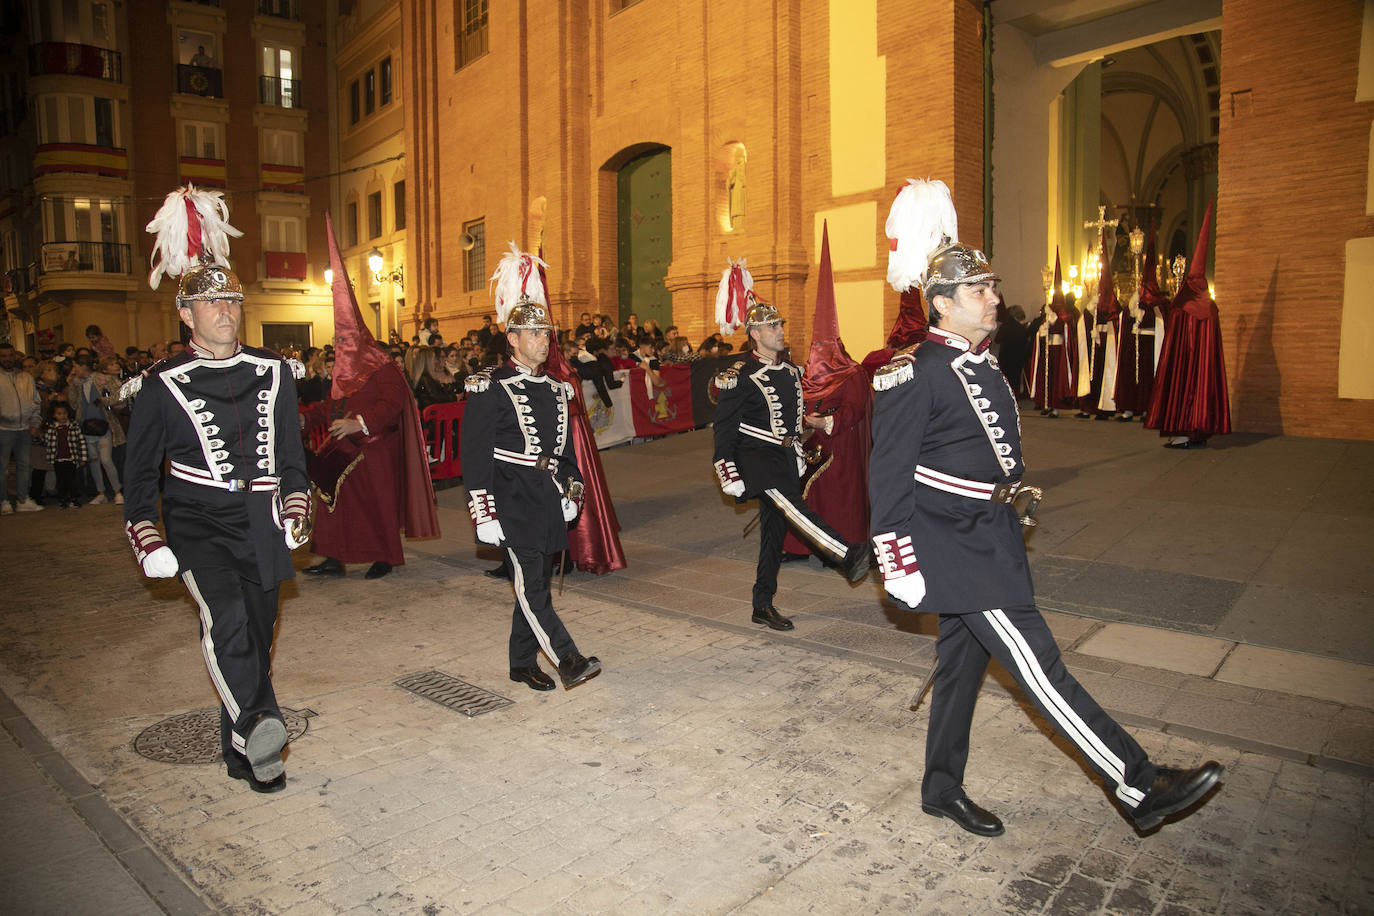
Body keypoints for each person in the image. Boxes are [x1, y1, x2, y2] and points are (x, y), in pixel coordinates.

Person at [867, 182, 1224, 836]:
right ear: (942, 304)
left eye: (992, 287)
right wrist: (897, 559)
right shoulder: (914, 371)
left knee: (960, 669)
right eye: (978, 290)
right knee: (1041, 670)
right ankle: (1138, 784)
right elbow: (888, 473)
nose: (993, 298)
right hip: (955, 548)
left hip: (990, 533)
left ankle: (940, 789)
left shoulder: (980, 363)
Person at [126, 184, 312, 793]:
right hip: (197, 518)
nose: (225, 311)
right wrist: (147, 535)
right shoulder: (161, 383)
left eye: (231, 300)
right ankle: (261, 725)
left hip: (261, 518)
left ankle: (243, 750)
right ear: (187, 315)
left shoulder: (274, 371)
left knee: (257, 637)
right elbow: (139, 473)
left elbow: (292, 455)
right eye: (211, 303)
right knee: (226, 618)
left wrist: (296, 505)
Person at [462, 245, 601, 692]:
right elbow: (474, 455)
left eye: (546, 333)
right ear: (513, 339)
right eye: (534, 333)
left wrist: (572, 490)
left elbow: (566, 453)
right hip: (510, 496)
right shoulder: (490, 386)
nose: (543, 340)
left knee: (533, 582)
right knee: (533, 588)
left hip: (546, 495)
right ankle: (568, 659)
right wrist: (483, 513)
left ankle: (521, 663)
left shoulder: (559, 389)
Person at [712, 298, 873, 631]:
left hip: (783, 457)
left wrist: (798, 450)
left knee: (773, 536)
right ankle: (847, 553)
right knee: (797, 511)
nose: (780, 331)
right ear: (755, 333)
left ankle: (762, 604)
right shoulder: (740, 375)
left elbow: (791, 422)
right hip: (756, 459)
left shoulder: (790, 372)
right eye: (772, 326)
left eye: (780, 324)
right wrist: (728, 470)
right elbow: (724, 428)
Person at [304, 216, 439, 580]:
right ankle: (333, 557)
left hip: (375, 447)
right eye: (339, 340)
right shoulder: (342, 370)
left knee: (376, 504)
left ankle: (385, 556)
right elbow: (331, 405)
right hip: (341, 445)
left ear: (361, 338)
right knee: (332, 501)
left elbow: (393, 404)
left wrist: (359, 424)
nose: (341, 345)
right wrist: (307, 418)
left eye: (347, 339)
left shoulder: (381, 365)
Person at [1145, 199, 1231, 449]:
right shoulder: (1210, 306)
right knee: (1202, 389)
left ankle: (1183, 433)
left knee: (1183, 392)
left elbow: (1176, 337)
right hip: (1202, 365)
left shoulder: (1183, 303)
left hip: (1184, 362)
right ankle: (1198, 432)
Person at [0, 343, 43, 514]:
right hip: (3, 428)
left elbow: (36, 401)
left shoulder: (26, 377)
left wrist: (34, 423)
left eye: (10, 355)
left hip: (24, 428)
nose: (7, 359)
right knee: (2, 468)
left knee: (24, 465)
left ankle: (23, 500)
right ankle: (3, 501)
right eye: (3, 356)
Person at [43, 401, 87, 508]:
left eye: (64, 413)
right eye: (59, 413)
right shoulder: (51, 427)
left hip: (71, 458)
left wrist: (83, 457)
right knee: (60, 480)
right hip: (58, 459)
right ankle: (62, 499)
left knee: (72, 480)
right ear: (54, 415)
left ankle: (73, 498)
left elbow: (81, 441)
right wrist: (48, 457)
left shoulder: (74, 426)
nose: (62, 416)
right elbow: (47, 442)